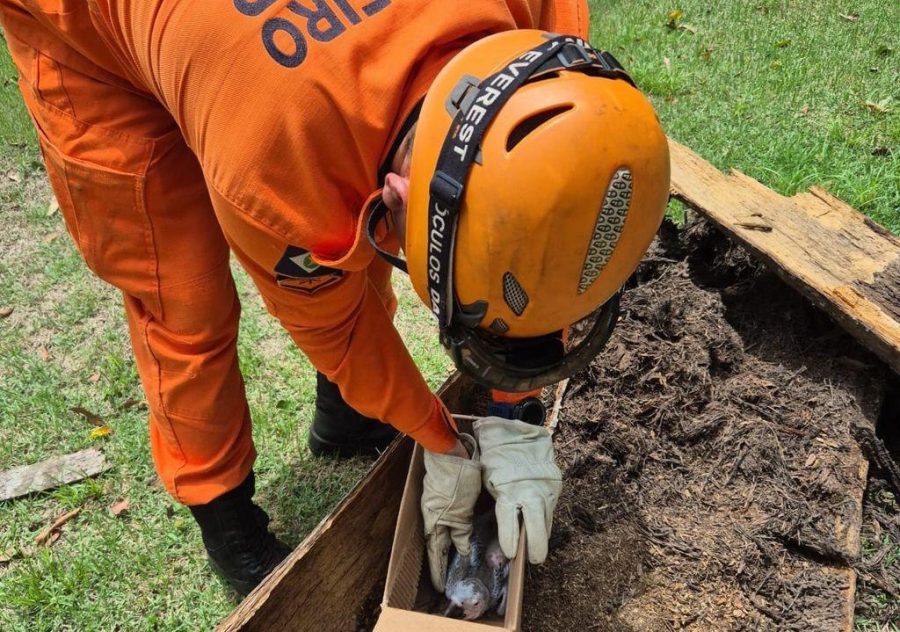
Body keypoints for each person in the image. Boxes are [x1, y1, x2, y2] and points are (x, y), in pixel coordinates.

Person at [0, 0, 669, 598]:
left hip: (279, 76)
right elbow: (338, 327)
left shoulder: (549, 26)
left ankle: (345, 421)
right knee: (180, 298)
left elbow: (548, 231)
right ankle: (227, 523)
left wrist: (513, 414)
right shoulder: (269, 161)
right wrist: (441, 438)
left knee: (357, 199)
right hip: (85, 31)